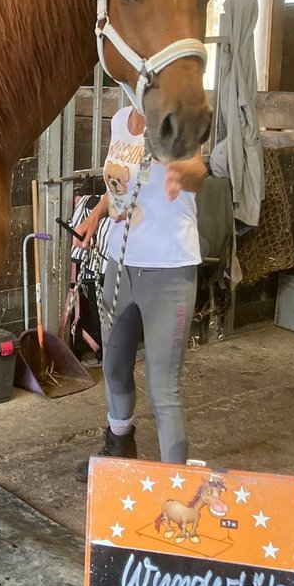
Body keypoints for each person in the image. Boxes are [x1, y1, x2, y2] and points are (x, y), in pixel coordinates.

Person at [74, 104, 208, 482]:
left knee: (163, 388)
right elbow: (119, 183)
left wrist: (183, 171)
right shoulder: (120, 120)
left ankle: (174, 485)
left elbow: (199, 172)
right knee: (114, 366)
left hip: (168, 269)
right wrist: (97, 213)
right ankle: (120, 447)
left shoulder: (177, 120)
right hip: (120, 262)